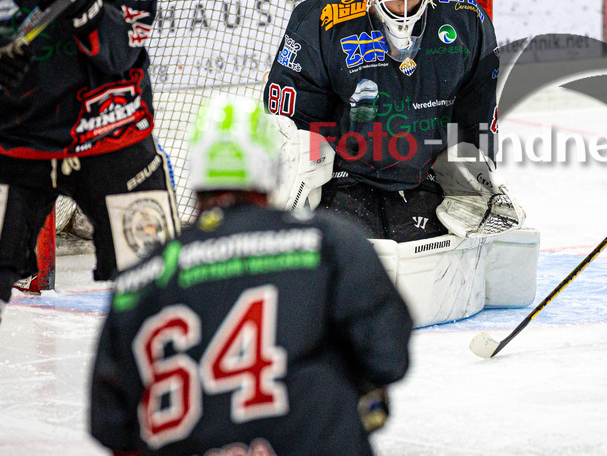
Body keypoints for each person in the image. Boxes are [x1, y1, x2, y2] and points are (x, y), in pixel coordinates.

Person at [90, 96, 413, 455]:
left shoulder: (139, 279)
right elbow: (388, 357)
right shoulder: (330, 242)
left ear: (195, 172)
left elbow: (110, 425)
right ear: (272, 166)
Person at [263, 0, 535, 327]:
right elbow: (290, 119)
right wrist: (298, 183)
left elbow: (476, 111)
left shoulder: (466, 19)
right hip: (346, 179)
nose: (403, 8)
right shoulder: (321, 21)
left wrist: (471, 170)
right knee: (345, 268)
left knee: (435, 264)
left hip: (422, 178)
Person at [0, 0, 176, 324]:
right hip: (19, 141)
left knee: (158, 286)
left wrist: (87, 11)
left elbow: (125, 53)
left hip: (113, 137)